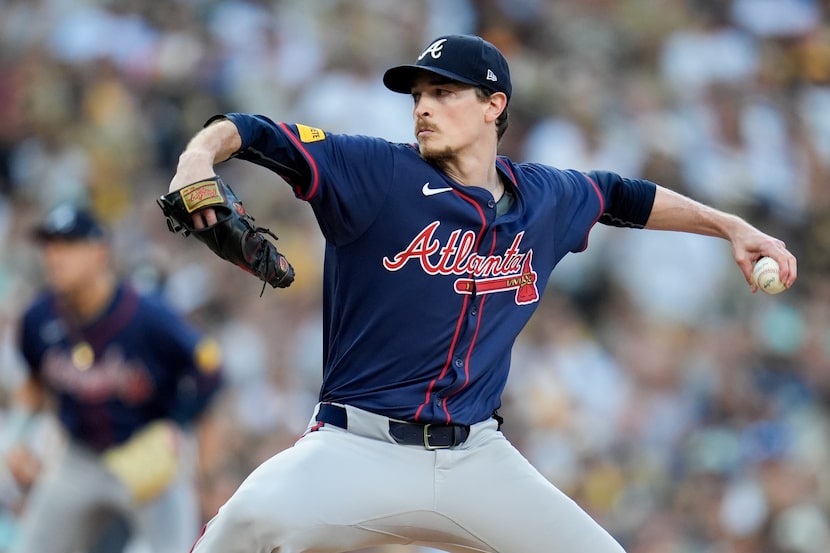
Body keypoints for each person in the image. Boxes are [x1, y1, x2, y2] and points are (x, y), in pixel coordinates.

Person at [167, 34, 797, 553]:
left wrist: (730, 227)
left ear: (494, 105)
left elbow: (625, 197)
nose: (422, 107)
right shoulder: (377, 172)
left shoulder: (546, 195)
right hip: (356, 448)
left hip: (476, 459)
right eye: (418, 95)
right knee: (238, 531)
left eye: (442, 92)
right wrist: (198, 156)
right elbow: (255, 131)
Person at [2, 202, 224, 553]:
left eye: (68, 245)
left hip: (146, 454)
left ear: (100, 251)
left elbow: (210, 367)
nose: (54, 256)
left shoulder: (147, 315)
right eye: (50, 246)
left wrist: (180, 427)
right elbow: (34, 383)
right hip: (79, 457)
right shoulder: (38, 316)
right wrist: (16, 438)